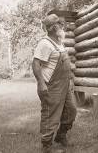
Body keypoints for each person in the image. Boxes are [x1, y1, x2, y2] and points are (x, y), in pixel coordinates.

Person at [32, 14, 77, 153]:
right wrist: (41, 84)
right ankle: (46, 146)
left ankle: (61, 135)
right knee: (50, 116)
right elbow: (35, 64)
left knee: (71, 111)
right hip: (51, 86)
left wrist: (69, 80)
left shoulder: (59, 42)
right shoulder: (44, 44)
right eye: (59, 25)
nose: (62, 27)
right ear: (53, 28)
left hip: (64, 84)